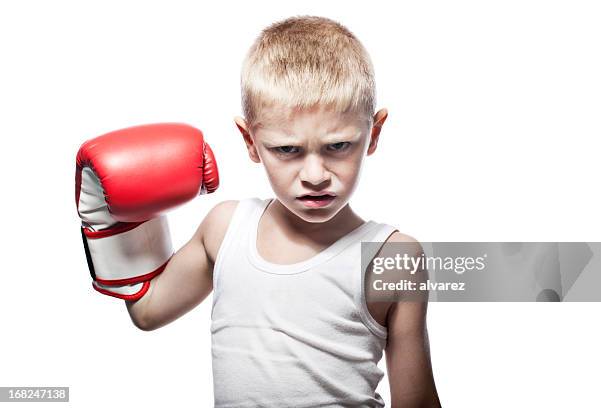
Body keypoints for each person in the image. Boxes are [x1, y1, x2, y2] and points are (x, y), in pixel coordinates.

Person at [75, 15, 441, 407]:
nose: (315, 175)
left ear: (374, 133)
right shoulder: (226, 228)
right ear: (250, 141)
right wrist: (117, 220)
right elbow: (147, 312)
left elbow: (416, 402)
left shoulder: (393, 257)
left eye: (338, 146)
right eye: (287, 150)